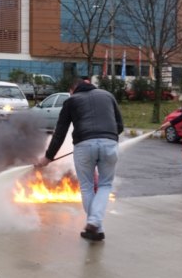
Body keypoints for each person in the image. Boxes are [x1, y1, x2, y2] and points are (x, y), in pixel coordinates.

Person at [36, 79, 123, 242]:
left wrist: (48, 157)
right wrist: (106, 137)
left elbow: (60, 133)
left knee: (87, 186)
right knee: (105, 185)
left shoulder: (71, 101)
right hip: (109, 143)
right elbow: (120, 126)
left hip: (84, 145)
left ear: (73, 89)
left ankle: (94, 222)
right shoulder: (108, 95)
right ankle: (96, 228)